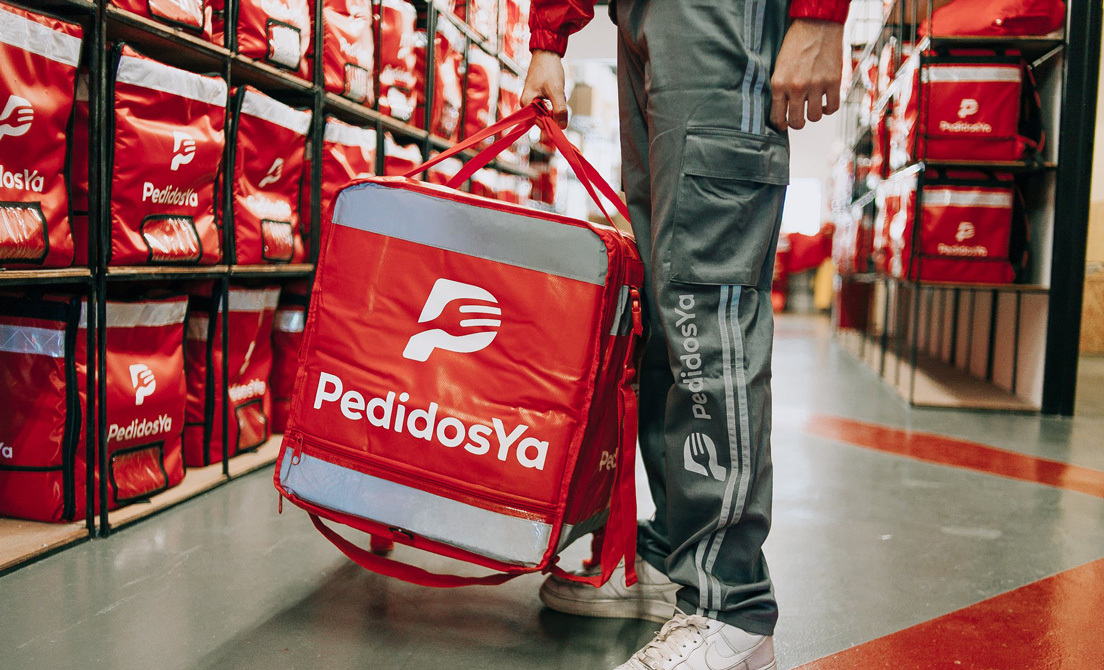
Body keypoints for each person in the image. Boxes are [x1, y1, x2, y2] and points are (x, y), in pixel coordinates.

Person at [520, 1, 851, 668]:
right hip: (640, 19)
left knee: (706, 304)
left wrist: (821, 13)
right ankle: (677, 554)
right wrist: (549, 36)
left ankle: (730, 607)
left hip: (721, 15)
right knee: (663, 298)